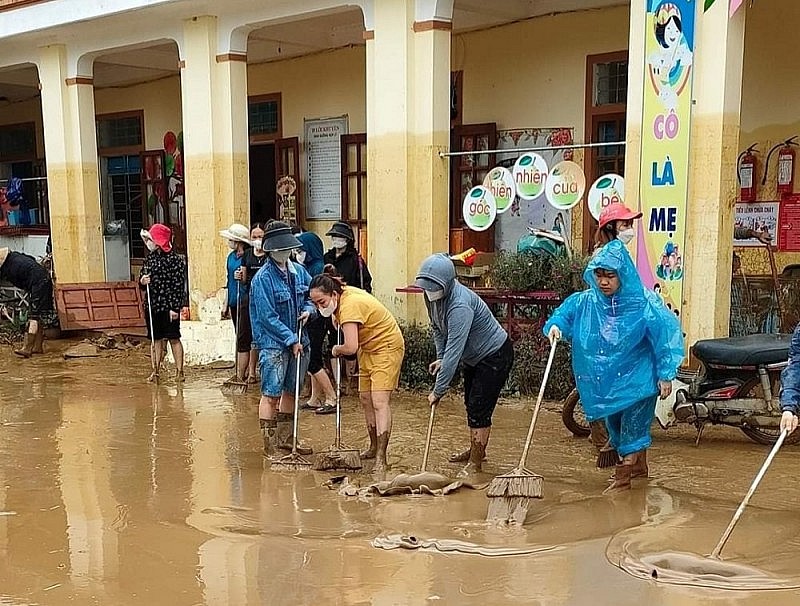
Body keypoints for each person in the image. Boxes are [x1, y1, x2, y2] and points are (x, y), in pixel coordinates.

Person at [544, 240, 684, 494]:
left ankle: (622, 482)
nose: (603, 282)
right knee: (616, 429)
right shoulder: (586, 302)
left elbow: (665, 337)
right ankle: (638, 470)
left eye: (610, 276)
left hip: (639, 381)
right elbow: (564, 315)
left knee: (633, 429)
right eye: (599, 276)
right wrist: (556, 326)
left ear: (623, 275)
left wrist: (665, 374)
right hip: (608, 385)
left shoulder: (644, 303)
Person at [414, 253, 513, 474]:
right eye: (426, 287)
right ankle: (477, 450)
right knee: (471, 402)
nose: (429, 291)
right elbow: (438, 329)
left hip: (494, 355)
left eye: (434, 287)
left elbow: (455, 349)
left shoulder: (460, 305)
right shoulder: (430, 296)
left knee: (479, 406)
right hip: (473, 357)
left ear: (448, 283)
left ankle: (475, 463)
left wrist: (438, 390)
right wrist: (440, 357)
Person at [309, 265, 404, 473]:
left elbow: (351, 347)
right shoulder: (342, 297)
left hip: (386, 346)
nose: (319, 307)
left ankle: (382, 457)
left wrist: (336, 349)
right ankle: (373, 447)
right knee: (365, 398)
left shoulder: (350, 306)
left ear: (333, 294)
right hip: (368, 347)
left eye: (321, 302)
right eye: (315, 304)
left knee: (379, 401)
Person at [249, 221, 316, 456]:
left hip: (300, 340)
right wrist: (290, 339)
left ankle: (287, 440)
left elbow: (312, 295)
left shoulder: (299, 271)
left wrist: (309, 311)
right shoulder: (262, 279)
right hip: (273, 345)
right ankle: (270, 447)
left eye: (287, 248)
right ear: (270, 249)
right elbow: (267, 317)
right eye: (280, 249)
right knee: (271, 394)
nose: (284, 252)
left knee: (291, 391)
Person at [590, 202, 644, 465]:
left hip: (626, 338)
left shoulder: (619, 253)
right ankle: (615, 452)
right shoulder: (607, 256)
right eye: (625, 224)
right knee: (609, 400)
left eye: (630, 224)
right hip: (611, 338)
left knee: (632, 408)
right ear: (611, 228)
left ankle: (632, 469)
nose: (629, 229)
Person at [292, 225, 337, 413]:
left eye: (301, 250)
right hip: (311, 318)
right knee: (313, 358)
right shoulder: (307, 267)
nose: (298, 254)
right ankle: (315, 398)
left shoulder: (317, 269)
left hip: (317, 319)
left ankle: (331, 397)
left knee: (313, 360)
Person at [139, 223, 187, 383]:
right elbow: (142, 280)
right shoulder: (150, 258)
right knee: (156, 339)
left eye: (151, 239)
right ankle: (156, 371)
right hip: (152, 306)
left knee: (174, 338)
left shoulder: (175, 260)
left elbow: (178, 287)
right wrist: (142, 281)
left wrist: (175, 308)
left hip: (169, 307)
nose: (149, 243)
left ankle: (179, 371)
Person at [0, 247, 52, 358]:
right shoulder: (17, 257)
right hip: (43, 280)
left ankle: (27, 348)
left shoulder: (10, 267)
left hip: (38, 284)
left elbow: (19, 282)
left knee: (33, 316)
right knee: (37, 316)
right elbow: (32, 260)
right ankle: (37, 347)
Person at [219, 223, 253, 382]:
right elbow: (228, 280)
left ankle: (248, 371)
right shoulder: (230, 257)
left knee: (245, 336)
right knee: (238, 335)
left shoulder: (248, 257)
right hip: (233, 299)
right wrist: (225, 304)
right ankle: (241, 370)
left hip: (244, 299)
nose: (229, 242)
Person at [240, 223, 268, 382]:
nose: (257, 240)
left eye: (260, 237)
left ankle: (264, 370)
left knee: (262, 335)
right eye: (254, 237)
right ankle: (251, 372)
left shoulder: (270, 255)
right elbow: (244, 279)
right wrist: (239, 276)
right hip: (250, 298)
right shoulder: (247, 254)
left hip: (266, 299)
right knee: (250, 336)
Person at [324, 221, 372, 292]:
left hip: (350, 295)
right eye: (334, 236)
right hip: (330, 295)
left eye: (340, 236)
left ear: (347, 239)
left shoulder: (355, 259)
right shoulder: (327, 257)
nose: (336, 239)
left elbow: (366, 283)